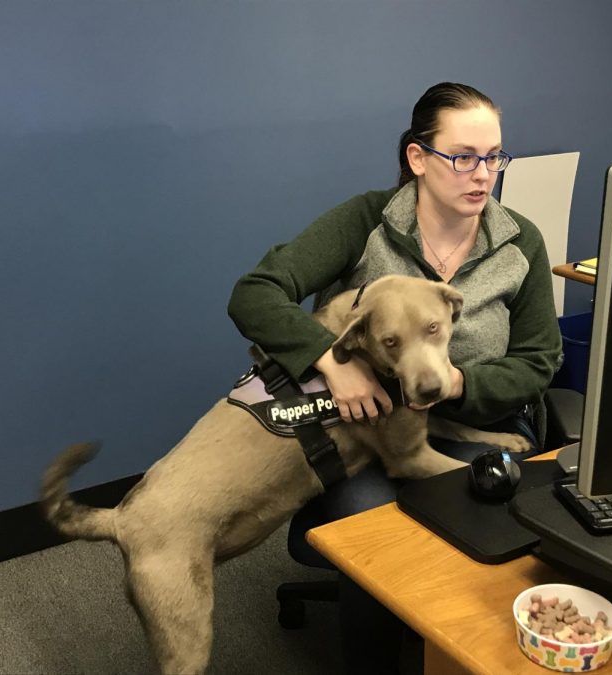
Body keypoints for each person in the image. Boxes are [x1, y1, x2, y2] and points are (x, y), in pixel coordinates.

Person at [228, 82, 562, 674]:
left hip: (476, 426)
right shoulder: (366, 222)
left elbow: (539, 361)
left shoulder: (519, 243)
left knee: (500, 520)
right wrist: (331, 361)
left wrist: (456, 385)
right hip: (371, 438)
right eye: (463, 157)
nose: (482, 175)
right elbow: (256, 295)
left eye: (494, 157)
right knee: (377, 532)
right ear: (417, 158)